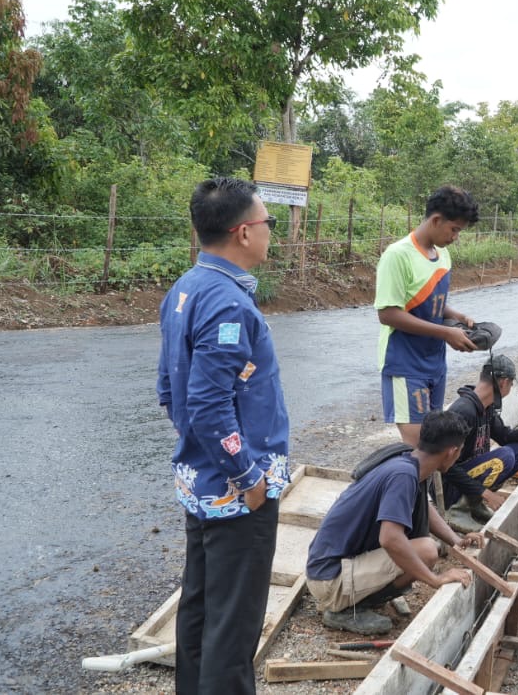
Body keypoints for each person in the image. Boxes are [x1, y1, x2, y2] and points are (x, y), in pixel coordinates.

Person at [157, 177, 290, 695]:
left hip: (201, 480)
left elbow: (170, 389)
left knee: (202, 606)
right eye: (267, 223)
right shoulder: (229, 303)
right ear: (242, 233)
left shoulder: (185, 287)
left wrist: (202, 450)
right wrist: (248, 477)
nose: (270, 233)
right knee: (233, 630)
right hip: (237, 492)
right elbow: (209, 405)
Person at [306, 410, 483, 635]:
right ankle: (345, 609)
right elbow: (390, 539)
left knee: (426, 548)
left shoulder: (409, 460)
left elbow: (424, 508)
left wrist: (456, 540)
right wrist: (435, 580)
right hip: (329, 579)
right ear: (452, 452)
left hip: (331, 565)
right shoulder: (404, 475)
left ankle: (361, 598)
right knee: (427, 550)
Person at [376, 185, 482, 448]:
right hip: (404, 362)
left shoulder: (442, 255)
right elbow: (388, 314)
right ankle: (405, 488)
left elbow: (429, 303)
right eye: (454, 229)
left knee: (435, 441)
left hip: (434, 362)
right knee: (419, 445)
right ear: (436, 220)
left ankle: (427, 490)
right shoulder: (398, 256)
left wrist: (455, 316)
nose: (456, 236)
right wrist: (446, 333)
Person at [442, 355, 518, 524]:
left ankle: (473, 503)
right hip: (451, 486)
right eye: (511, 384)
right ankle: (457, 510)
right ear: (504, 383)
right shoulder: (463, 411)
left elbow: (505, 437)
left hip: (467, 479)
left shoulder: (486, 407)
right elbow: (445, 466)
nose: (510, 389)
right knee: (505, 457)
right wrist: (487, 493)